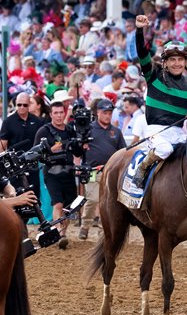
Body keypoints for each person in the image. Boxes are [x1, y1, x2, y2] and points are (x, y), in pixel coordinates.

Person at [132, 15, 187, 188]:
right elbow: (142, 52)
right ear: (165, 62)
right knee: (165, 150)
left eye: (180, 59)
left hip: (179, 134)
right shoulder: (153, 75)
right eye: (172, 59)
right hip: (156, 132)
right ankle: (143, 168)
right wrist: (140, 30)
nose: (176, 63)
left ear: (185, 62)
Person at [34, 101, 83, 249]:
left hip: (68, 172)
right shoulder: (44, 131)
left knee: (68, 207)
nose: (59, 116)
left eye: (61, 112)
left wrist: (79, 145)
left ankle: (63, 232)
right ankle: (60, 235)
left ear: (65, 112)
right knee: (58, 203)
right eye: (56, 113)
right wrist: (51, 149)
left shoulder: (70, 130)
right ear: (51, 114)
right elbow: (35, 153)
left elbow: (78, 153)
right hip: (52, 173)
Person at [78, 99, 126, 240]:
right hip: (92, 171)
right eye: (105, 112)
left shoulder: (116, 132)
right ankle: (85, 225)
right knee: (92, 199)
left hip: (110, 172)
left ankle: (102, 230)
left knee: (107, 202)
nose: (107, 116)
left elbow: (122, 151)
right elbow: (79, 149)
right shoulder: (88, 130)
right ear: (97, 113)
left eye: (110, 113)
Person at [0, 92, 44, 200]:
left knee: (34, 197)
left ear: (29, 105)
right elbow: (2, 146)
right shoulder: (8, 122)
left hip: (32, 164)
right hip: (15, 166)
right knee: (17, 196)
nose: (22, 107)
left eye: (25, 105)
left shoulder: (37, 121)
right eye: (19, 105)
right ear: (15, 105)